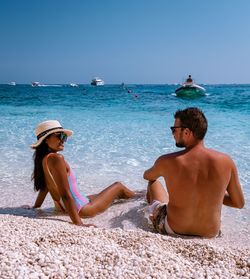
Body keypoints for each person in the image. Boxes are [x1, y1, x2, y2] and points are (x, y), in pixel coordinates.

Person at [144, 107, 245, 238]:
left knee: (154, 182)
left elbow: (147, 176)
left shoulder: (167, 161)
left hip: (174, 229)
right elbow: (239, 203)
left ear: (186, 132)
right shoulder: (226, 161)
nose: (172, 133)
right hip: (210, 234)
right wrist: (214, 193)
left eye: (174, 129)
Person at [29, 120, 135, 226]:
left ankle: (138, 196)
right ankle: (142, 199)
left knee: (110, 195)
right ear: (46, 140)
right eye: (60, 136)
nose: (63, 140)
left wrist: (36, 207)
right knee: (119, 186)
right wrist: (79, 223)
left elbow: (46, 187)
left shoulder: (43, 159)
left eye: (64, 137)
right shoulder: (57, 158)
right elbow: (65, 194)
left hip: (66, 207)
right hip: (83, 209)